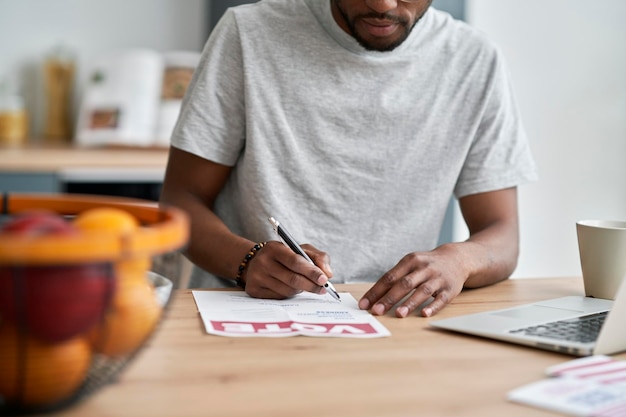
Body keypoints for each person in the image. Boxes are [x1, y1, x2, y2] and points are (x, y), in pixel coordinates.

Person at [159, 0, 537, 318]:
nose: (383, 5)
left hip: (395, 320)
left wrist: (459, 260)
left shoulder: (474, 58)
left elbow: (502, 235)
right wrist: (246, 260)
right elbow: (180, 202)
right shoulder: (248, 33)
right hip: (245, 312)